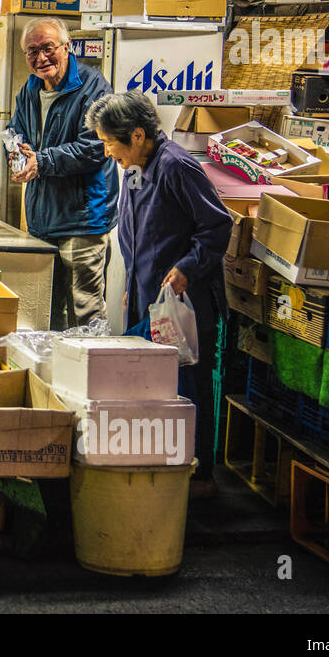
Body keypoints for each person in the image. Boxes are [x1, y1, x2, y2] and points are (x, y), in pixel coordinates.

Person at [85, 90, 233, 494]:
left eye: (108, 141)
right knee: (155, 385)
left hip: (186, 304)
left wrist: (187, 268)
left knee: (190, 386)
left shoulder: (178, 167)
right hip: (148, 298)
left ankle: (200, 473)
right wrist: (130, 287)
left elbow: (218, 226)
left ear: (136, 135)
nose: (106, 150)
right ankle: (164, 464)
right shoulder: (133, 167)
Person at [6, 17, 118, 330]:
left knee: (85, 313)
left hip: (82, 219)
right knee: (45, 311)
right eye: (32, 51)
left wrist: (41, 162)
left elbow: (97, 146)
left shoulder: (93, 86)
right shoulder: (29, 90)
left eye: (48, 48)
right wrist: (15, 155)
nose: (41, 58)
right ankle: (50, 378)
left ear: (66, 47)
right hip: (42, 219)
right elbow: (14, 131)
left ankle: (87, 377)